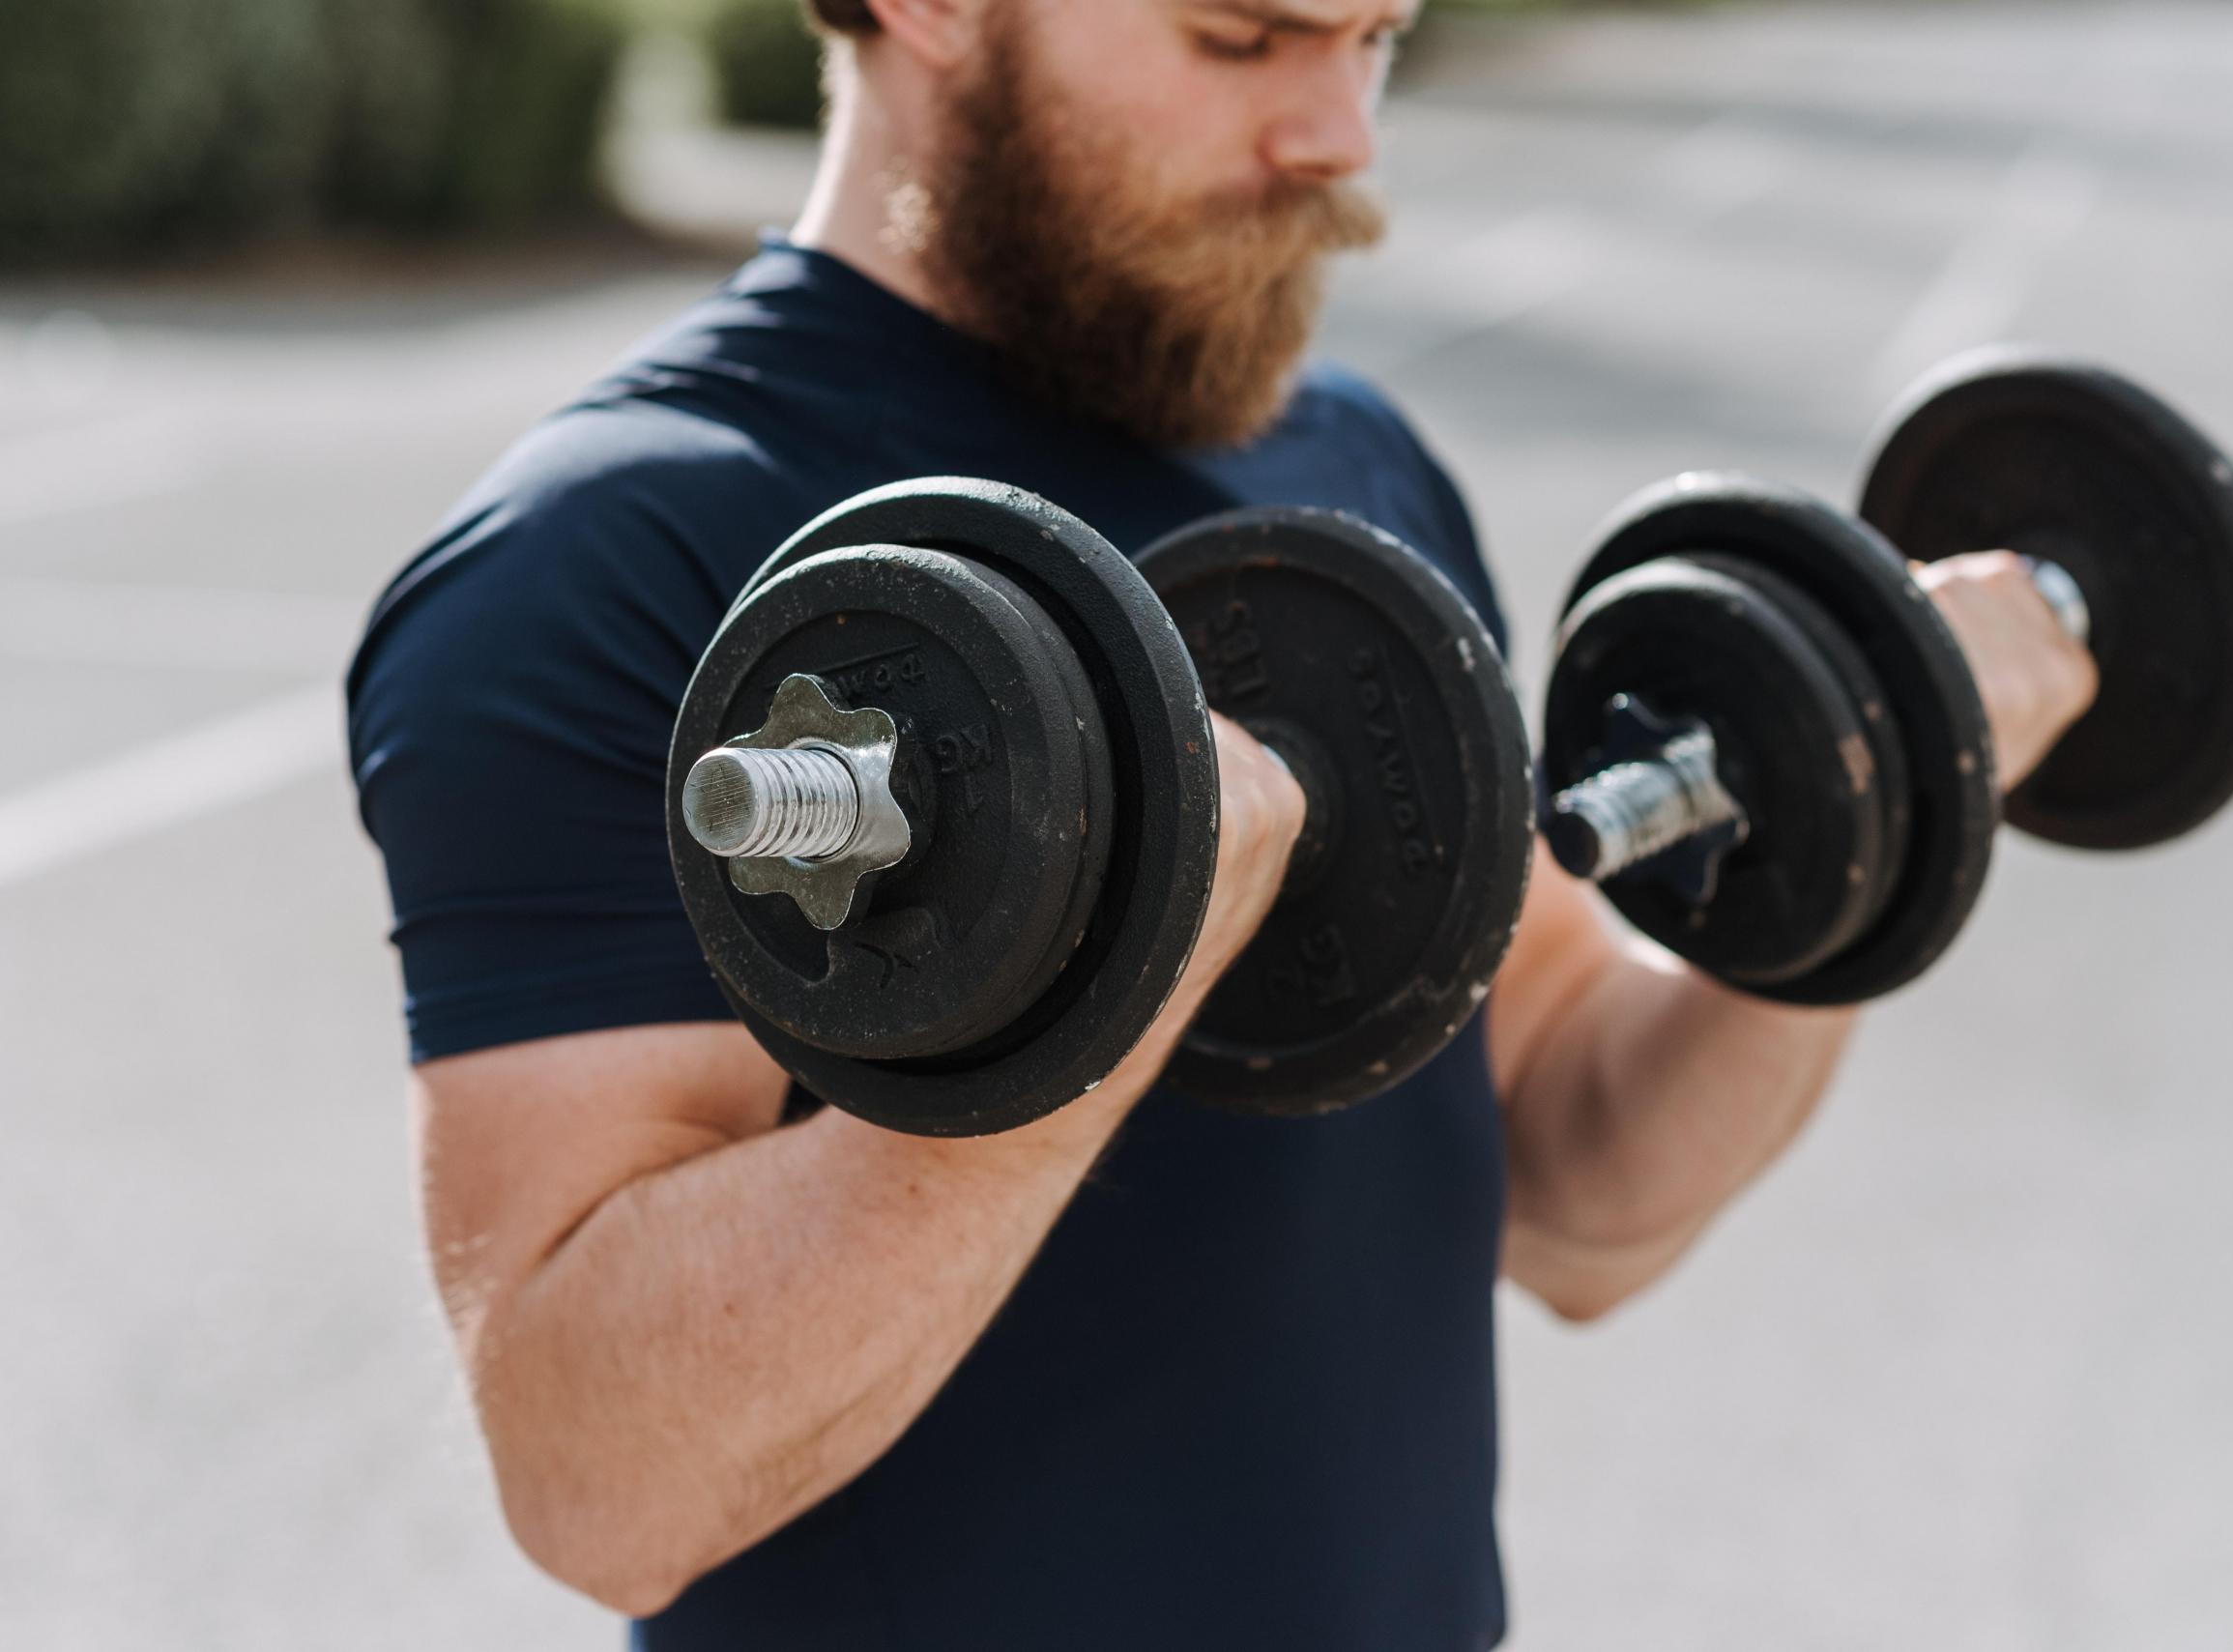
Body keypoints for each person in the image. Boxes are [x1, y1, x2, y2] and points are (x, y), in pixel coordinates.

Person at [345, 0, 2097, 1643]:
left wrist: (1870, 825)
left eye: (1372, 40)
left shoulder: (1353, 475)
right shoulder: (608, 560)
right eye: (1244, 35)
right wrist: (1103, 984)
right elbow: (602, 1476)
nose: (1340, 137)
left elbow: (1571, 1182)